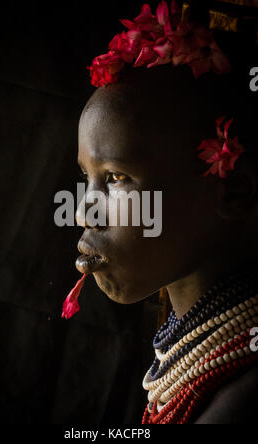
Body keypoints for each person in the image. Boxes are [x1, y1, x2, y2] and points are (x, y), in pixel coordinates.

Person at [73, 0, 258, 423]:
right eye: (87, 177)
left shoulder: (239, 402)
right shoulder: (196, 367)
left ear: (233, 193)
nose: (85, 212)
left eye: (117, 178)